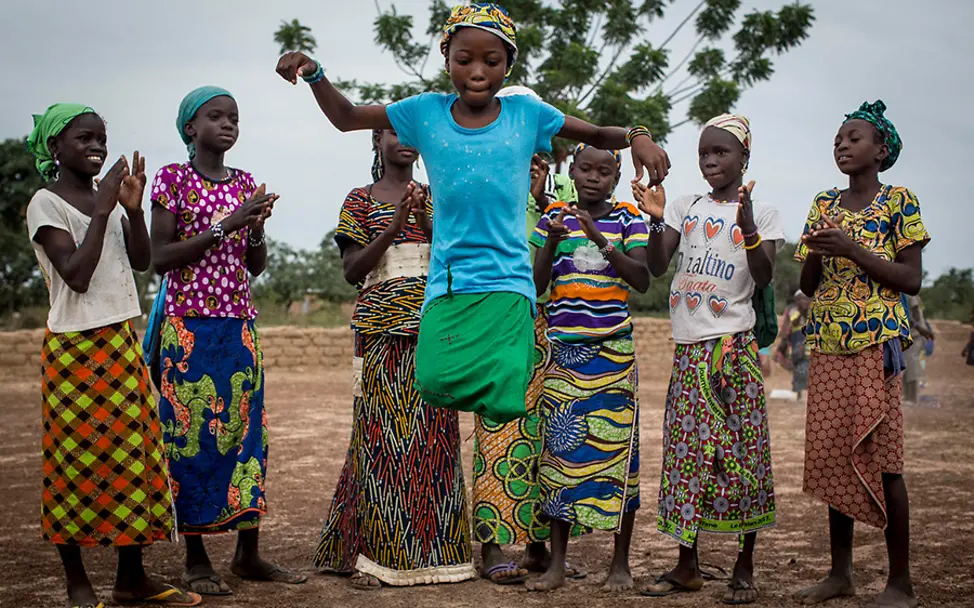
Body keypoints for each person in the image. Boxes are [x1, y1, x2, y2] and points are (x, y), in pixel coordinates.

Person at [275, 2, 670, 425]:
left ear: (507, 67)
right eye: (464, 60)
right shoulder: (424, 113)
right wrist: (315, 74)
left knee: (506, 400)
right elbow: (347, 116)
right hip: (450, 280)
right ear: (447, 61)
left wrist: (638, 136)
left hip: (508, 280)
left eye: (491, 60)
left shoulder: (527, 115)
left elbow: (593, 133)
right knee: (433, 379)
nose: (477, 71)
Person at [26, 104, 200, 607]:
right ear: (55, 147)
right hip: (75, 349)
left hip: (121, 342)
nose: (97, 147)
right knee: (72, 462)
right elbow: (76, 276)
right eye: (84, 138)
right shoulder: (46, 203)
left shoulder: (108, 201)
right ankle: (78, 583)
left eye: (101, 138)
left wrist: (133, 210)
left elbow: (144, 262)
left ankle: (130, 580)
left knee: (136, 461)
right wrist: (103, 209)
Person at [150, 86, 306, 596]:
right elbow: (160, 256)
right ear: (190, 128)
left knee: (246, 436)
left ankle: (248, 552)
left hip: (237, 324)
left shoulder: (244, 184)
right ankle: (196, 559)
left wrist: (255, 228)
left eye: (233, 117)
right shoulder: (172, 180)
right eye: (214, 116)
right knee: (191, 439)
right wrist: (227, 225)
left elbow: (253, 265)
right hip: (188, 328)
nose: (227, 124)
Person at [313, 129, 477, 589]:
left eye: (412, 134)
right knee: (381, 440)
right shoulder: (359, 200)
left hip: (434, 331)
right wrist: (392, 226)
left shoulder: (437, 198)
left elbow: (457, 261)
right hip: (380, 334)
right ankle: (374, 556)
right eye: (393, 133)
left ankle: (440, 555)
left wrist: (426, 223)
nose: (404, 140)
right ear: (376, 141)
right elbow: (351, 271)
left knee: (435, 441)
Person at [634, 113, 783, 605]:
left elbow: (763, 278)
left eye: (720, 152)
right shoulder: (684, 205)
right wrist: (656, 220)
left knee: (742, 453)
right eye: (703, 154)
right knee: (686, 454)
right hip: (688, 350)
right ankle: (687, 564)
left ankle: (745, 564)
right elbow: (658, 267)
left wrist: (748, 228)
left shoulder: (763, 213)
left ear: (744, 157)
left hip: (733, 349)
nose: (711, 161)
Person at [795, 101, 929, 608]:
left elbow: (910, 280)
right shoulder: (823, 202)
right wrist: (817, 252)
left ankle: (901, 582)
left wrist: (853, 249)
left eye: (854, 137)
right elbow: (808, 286)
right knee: (833, 458)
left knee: (884, 459)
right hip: (828, 343)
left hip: (877, 344)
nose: (842, 145)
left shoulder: (900, 201)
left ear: (882, 149)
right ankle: (841, 573)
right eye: (838, 139)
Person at [471, 86, 586, 586]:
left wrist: (543, 198)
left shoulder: (565, 194)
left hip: (552, 325)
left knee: (546, 436)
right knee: (497, 431)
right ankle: (494, 544)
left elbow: (576, 252)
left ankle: (539, 547)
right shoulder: (480, 181)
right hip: (498, 317)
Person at [526, 144, 650, 592]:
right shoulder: (553, 217)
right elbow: (538, 286)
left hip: (614, 352)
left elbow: (641, 278)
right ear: (571, 171)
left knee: (621, 458)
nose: (594, 177)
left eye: (604, 171)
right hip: (565, 352)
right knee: (560, 456)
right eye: (585, 169)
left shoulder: (628, 218)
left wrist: (599, 239)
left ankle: (620, 563)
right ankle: (558, 564)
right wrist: (554, 242)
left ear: (616, 177)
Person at [776, 290, 811, 402]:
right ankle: (799, 393)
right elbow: (788, 327)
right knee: (799, 369)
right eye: (800, 299)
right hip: (796, 344)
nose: (803, 301)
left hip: (810, 345)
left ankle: (806, 394)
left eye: (805, 298)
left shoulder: (814, 311)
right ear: (796, 300)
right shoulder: (792, 311)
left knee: (808, 369)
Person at [902, 294, 933, 404]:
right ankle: (907, 396)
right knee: (906, 366)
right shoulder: (904, 292)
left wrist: (917, 326)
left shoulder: (909, 293)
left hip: (916, 335)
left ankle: (913, 397)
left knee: (912, 365)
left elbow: (914, 314)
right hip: (908, 336)